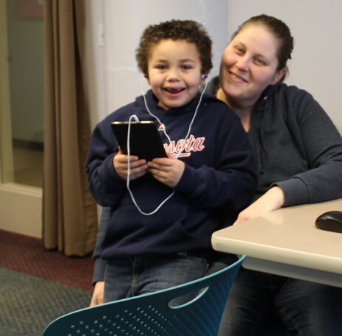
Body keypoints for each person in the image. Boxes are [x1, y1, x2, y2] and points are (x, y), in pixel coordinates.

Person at [204, 14, 342, 335]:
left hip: (300, 259)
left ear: (278, 74)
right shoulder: (191, 112)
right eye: (238, 50)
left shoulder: (295, 104)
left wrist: (275, 197)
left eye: (259, 60)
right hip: (232, 263)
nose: (242, 64)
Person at [85, 19, 256, 304]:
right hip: (121, 257)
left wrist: (187, 178)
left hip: (181, 255)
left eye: (186, 67)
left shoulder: (219, 120)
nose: (173, 76)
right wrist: (113, 171)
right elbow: (100, 193)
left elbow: (241, 187)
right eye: (161, 67)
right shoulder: (120, 122)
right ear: (145, 70)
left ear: (204, 73)